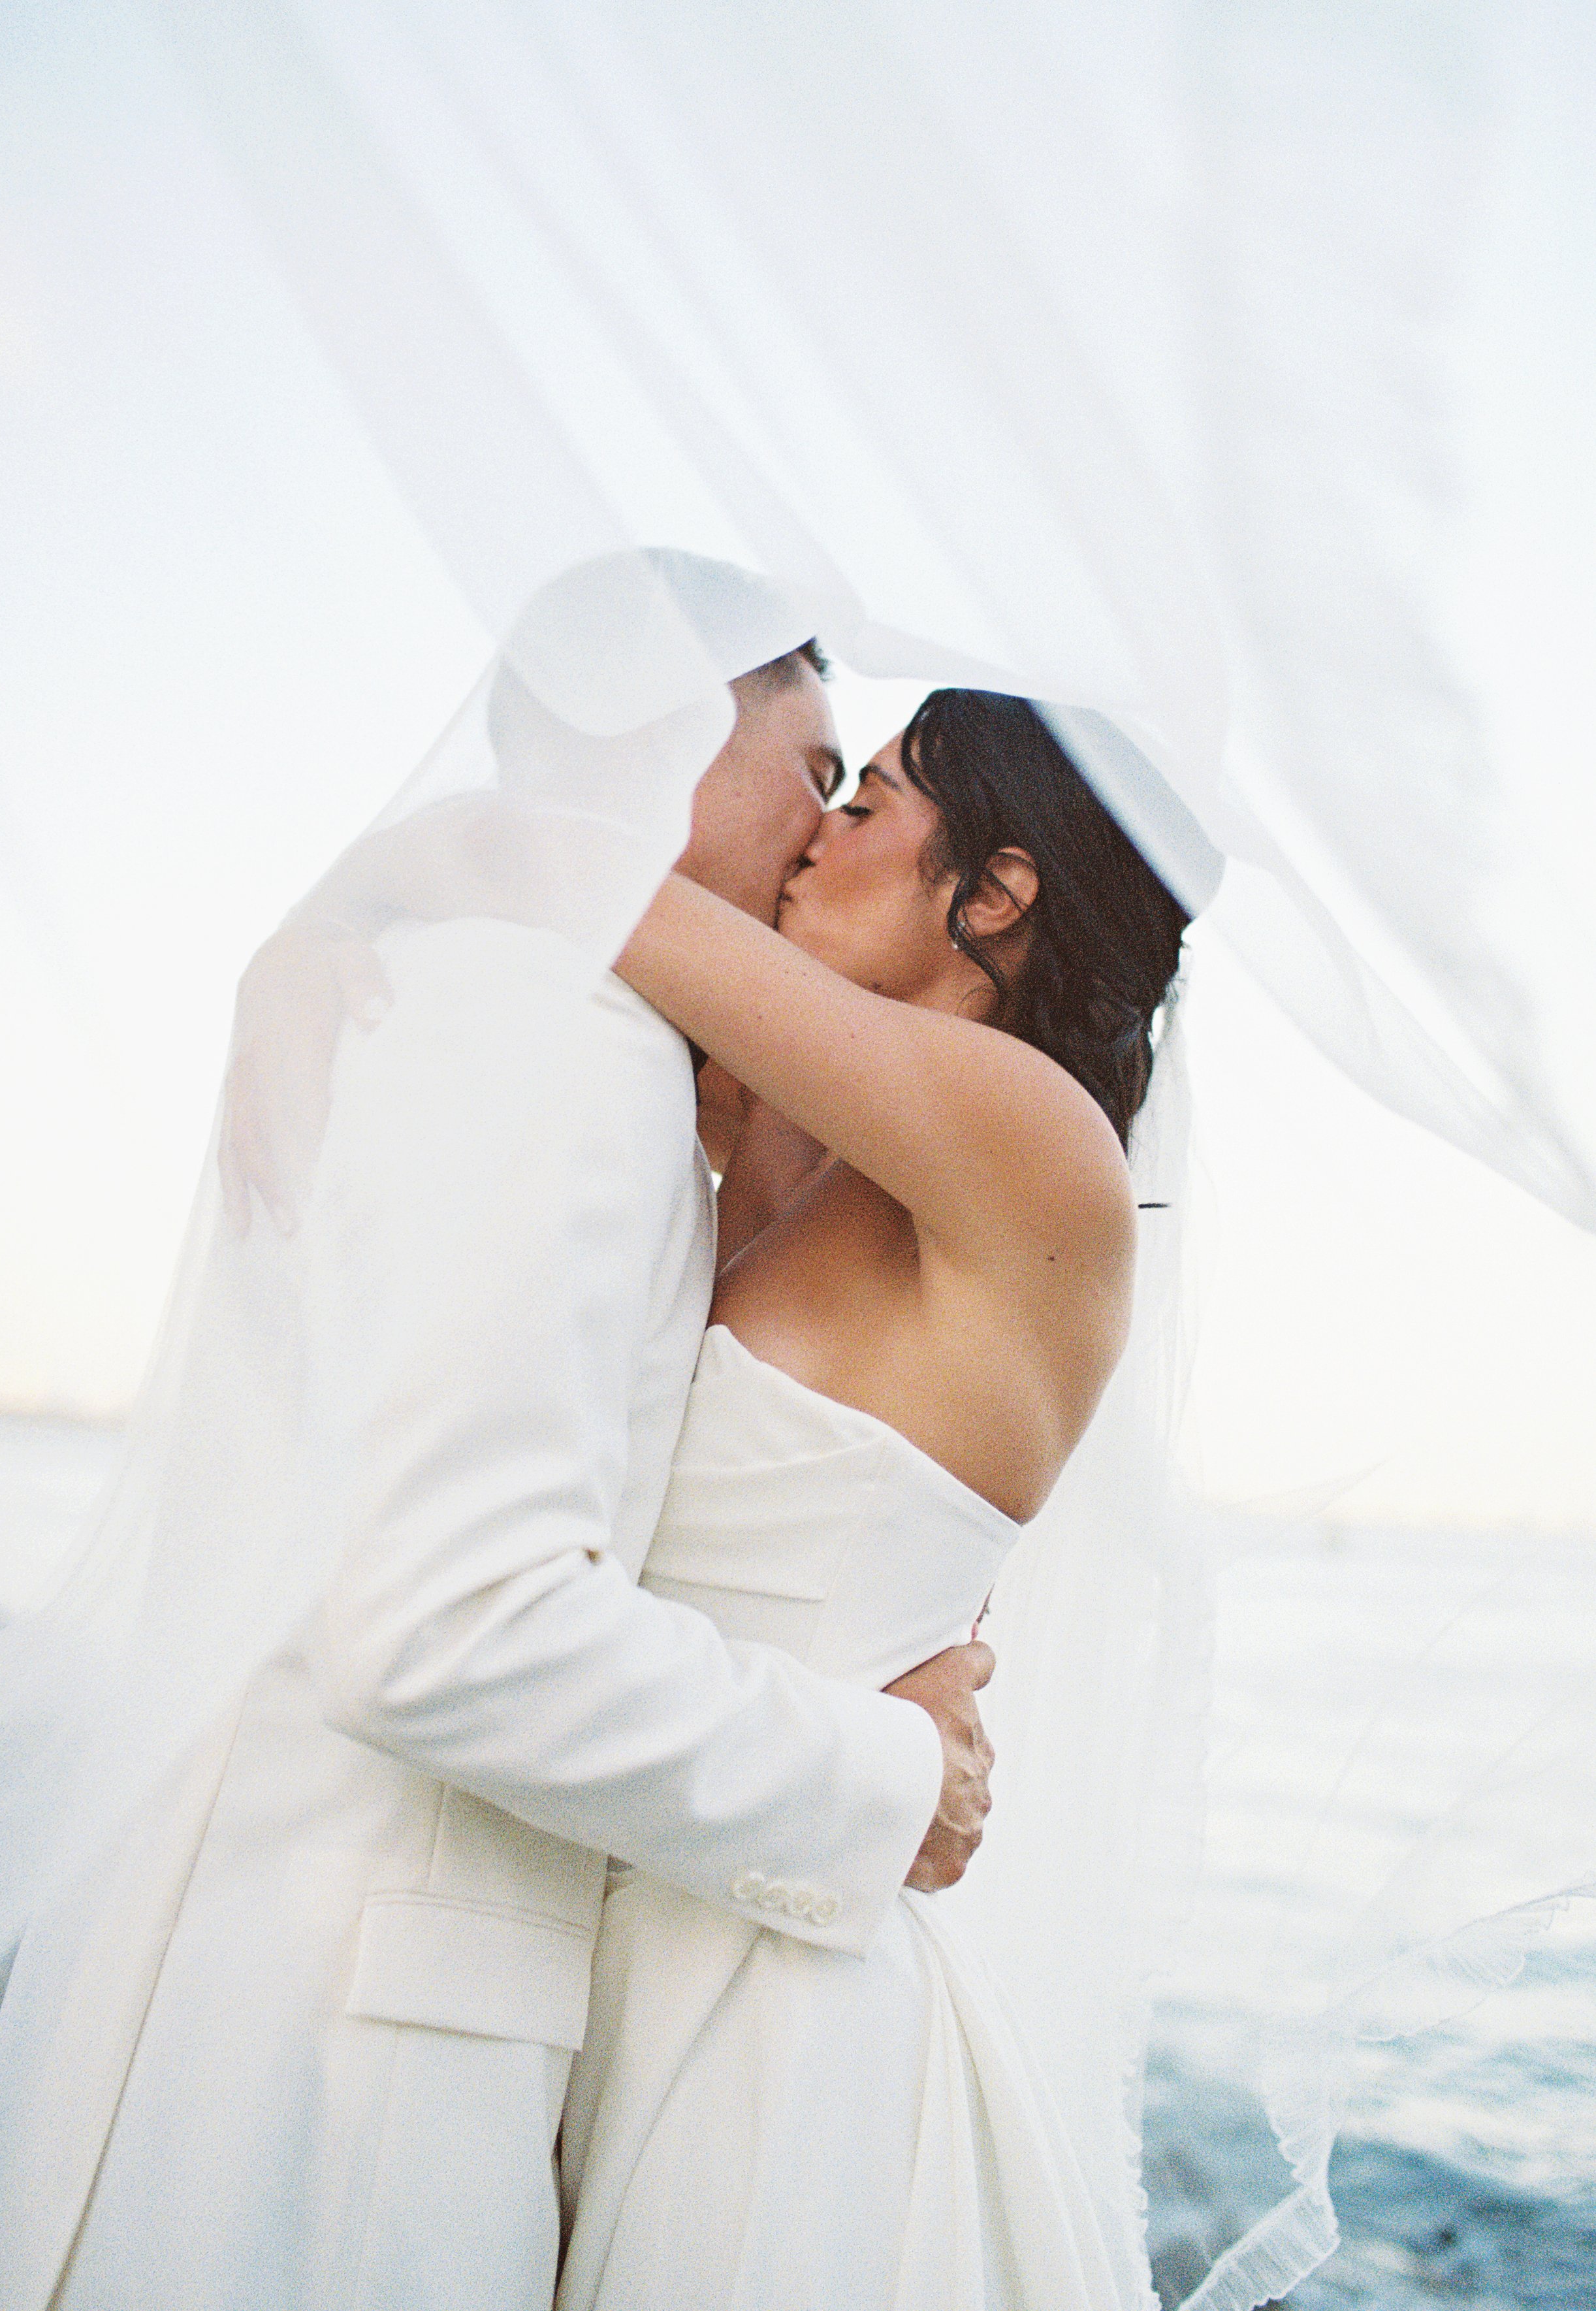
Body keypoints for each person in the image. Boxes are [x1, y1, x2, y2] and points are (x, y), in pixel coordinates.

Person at [0, 567, 996, 2311]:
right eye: (810, 772)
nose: (821, 836)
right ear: (661, 741)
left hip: (264, 2024)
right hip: (340, 2101)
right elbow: (447, 1630)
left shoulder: (462, 999)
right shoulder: (551, 1036)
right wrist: (882, 1772)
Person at [556, 685, 1190, 2309]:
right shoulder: (796, 1149)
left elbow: (592, 881)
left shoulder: (1032, 1138)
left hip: (773, 2021)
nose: (817, 830)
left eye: (869, 796)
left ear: (995, 891)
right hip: (619, 1902)